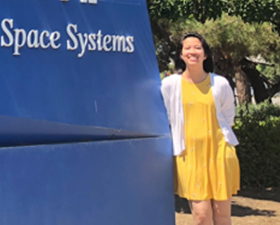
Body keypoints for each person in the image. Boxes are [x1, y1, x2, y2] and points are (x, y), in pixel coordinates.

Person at [161, 33, 240, 225]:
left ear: (205, 55)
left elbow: (229, 118)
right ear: (181, 54)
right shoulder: (170, 85)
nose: (192, 51)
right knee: (201, 216)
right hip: (189, 156)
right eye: (187, 48)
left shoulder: (220, 83)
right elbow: (165, 117)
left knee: (222, 215)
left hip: (220, 153)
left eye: (197, 47)